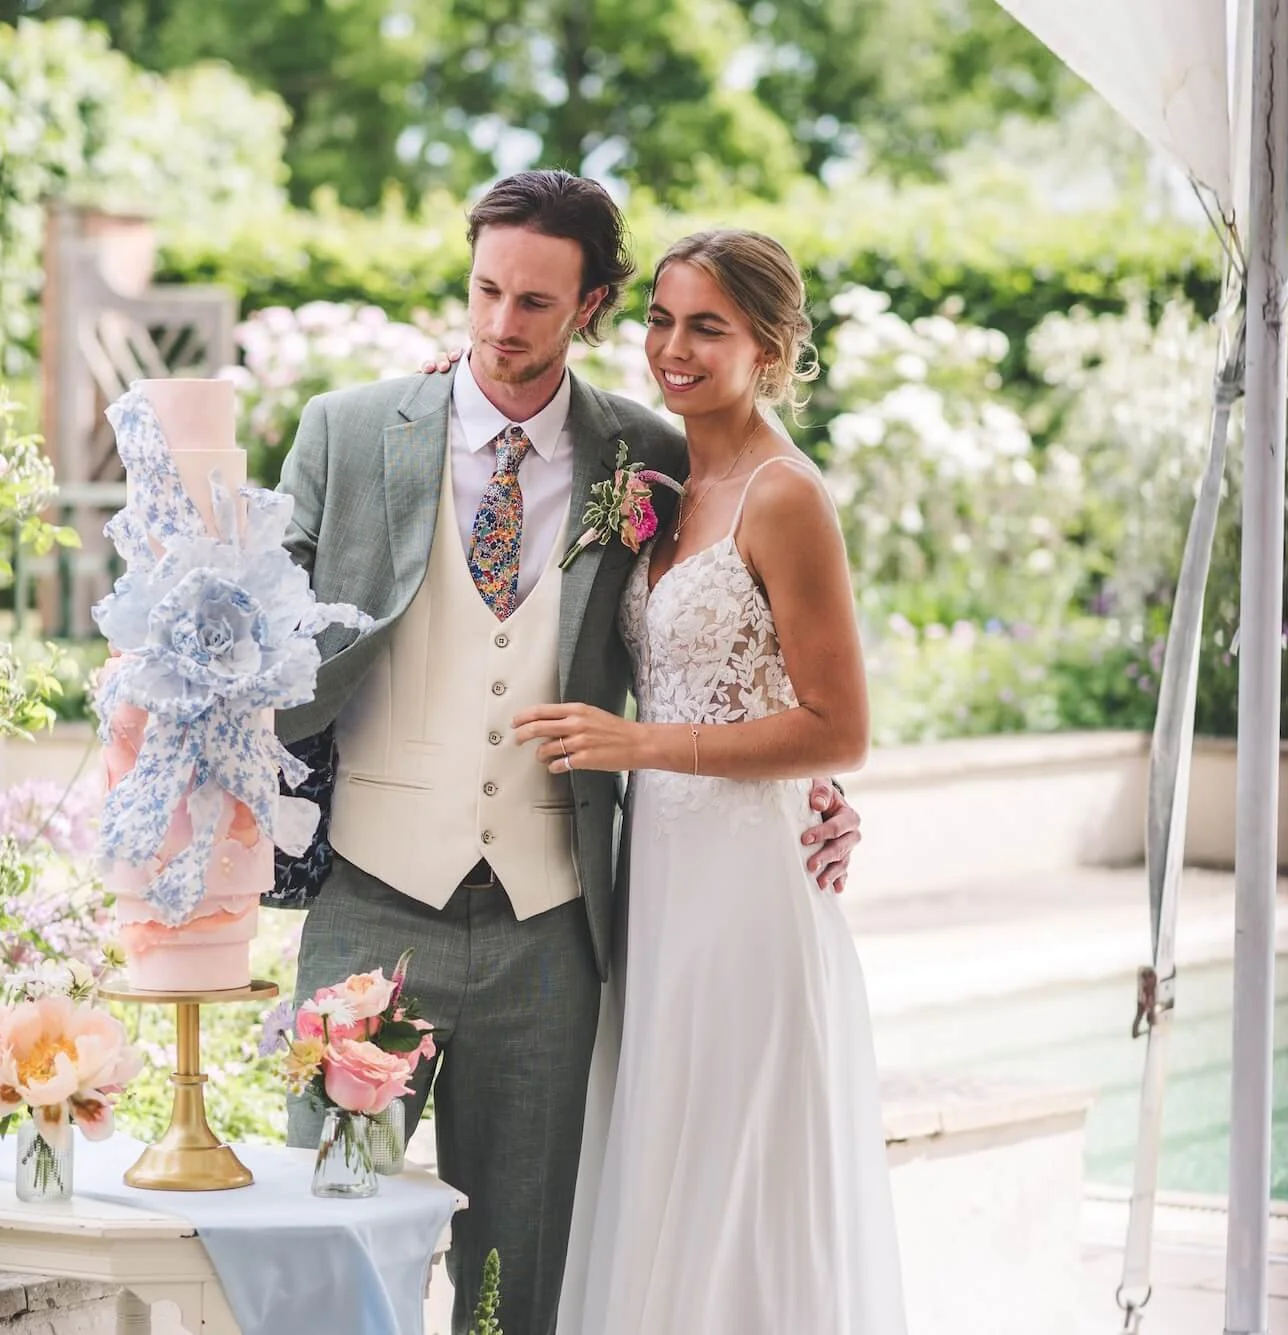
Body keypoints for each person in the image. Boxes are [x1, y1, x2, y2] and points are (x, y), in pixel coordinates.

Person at [270, 170, 866, 1335]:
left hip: (556, 924)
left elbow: (736, 639)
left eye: (536, 303)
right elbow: (252, 628)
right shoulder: (346, 432)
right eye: (485, 291)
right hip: (371, 904)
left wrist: (816, 781)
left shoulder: (647, 454)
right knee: (326, 1243)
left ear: (590, 307)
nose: (501, 326)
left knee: (520, 1273)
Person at [505, 228, 909, 1334]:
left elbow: (838, 728)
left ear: (769, 346)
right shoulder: (665, 475)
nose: (671, 348)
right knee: (661, 1145)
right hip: (659, 876)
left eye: (706, 327)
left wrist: (638, 746)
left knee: (736, 1161)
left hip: (742, 883)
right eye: (659, 318)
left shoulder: (784, 494)